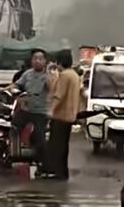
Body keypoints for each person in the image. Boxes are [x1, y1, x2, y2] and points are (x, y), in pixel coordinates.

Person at [6, 49, 53, 176]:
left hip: (41, 112)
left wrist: (50, 76)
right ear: (31, 61)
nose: (37, 61)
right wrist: (14, 90)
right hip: (26, 110)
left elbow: (54, 90)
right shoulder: (27, 74)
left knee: (39, 136)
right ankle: (10, 154)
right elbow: (15, 85)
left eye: (40, 58)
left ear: (45, 61)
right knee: (12, 127)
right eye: (34, 58)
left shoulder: (49, 76)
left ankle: (45, 165)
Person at [48, 49, 82, 180]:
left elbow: (59, 95)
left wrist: (51, 110)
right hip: (70, 115)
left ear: (60, 61)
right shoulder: (74, 75)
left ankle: (58, 172)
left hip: (60, 115)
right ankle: (63, 172)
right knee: (63, 145)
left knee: (57, 146)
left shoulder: (64, 75)